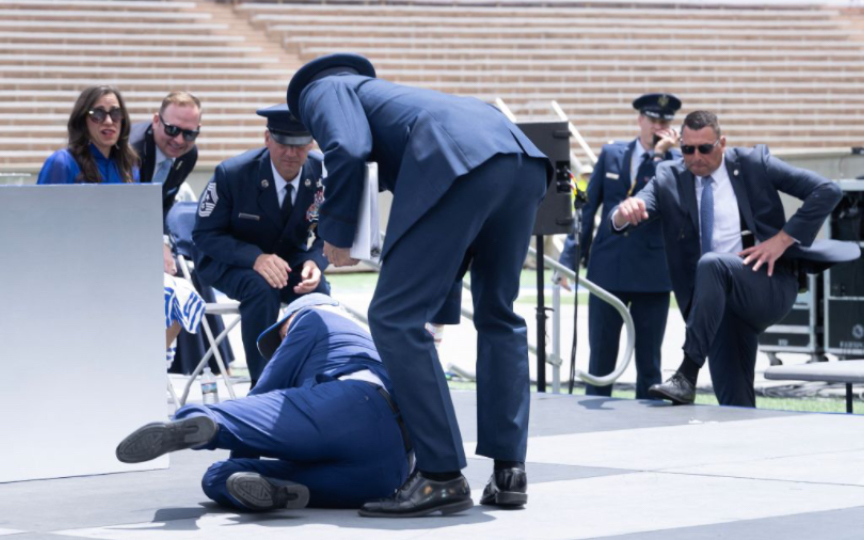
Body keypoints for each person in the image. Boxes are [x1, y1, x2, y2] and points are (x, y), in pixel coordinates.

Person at [287, 53, 551, 517]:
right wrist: (437, 305)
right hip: (521, 157)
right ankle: (511, 471)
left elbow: (345, 149)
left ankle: (440, 474)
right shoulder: (393, 99)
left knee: (391, 317)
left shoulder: (322, 90)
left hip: (458, 161)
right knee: (498, 314)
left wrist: (336, 233)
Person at [612, 110, 855, 407]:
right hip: (715, 306)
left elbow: (826, 190)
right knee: (734, 402)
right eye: (687, 149)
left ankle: (687, 372)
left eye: (705, 148)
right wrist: (623, 213)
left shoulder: (754, 163)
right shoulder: (669, 177)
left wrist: (782, 240)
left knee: (713, 263)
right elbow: (636, 206)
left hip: (768, 284)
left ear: (722, 143)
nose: (695, 157)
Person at [116, 294, 410, 511]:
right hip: (385, 471)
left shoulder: (315, 317)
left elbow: (267, 388)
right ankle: (277, 493)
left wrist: (238, 434)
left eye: (283, 334)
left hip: (345, 405)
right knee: (218, 477)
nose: (283, 343)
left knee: (213, 418)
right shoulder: (377, 346)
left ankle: (200, 420)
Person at [193, 105, 329, 386]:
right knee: (261, 289)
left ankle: (315, 379)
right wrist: (255, 258)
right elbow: (205, 235)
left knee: (318, 290)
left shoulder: (322, 174)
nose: (291, 153)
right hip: (229, 260)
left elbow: (330, 231)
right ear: (267, 138)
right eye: (282, 143)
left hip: (286, 258)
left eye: (299, 145)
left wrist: (316, 261)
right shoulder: (232, 174)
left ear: (312, 143)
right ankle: (265, 384)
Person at [558, 93, 681, 399]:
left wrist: (660, 155)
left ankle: (645, 426)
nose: (658, 127)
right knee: (600, 357)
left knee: (649, 362)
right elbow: (587, 210)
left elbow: (650, 199)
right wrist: (569, 259)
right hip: (608, 270)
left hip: (652, 273)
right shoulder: (612, 153)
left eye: (665, 122)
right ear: (640, 119)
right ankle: (593, 425)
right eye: (653, 120)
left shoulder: (677, 163)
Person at [37, 86, 138, 184]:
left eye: (116, 113)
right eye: (98, 113)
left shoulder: (128, 165)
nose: (109, 121)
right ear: (83, 120)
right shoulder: (62, 163)